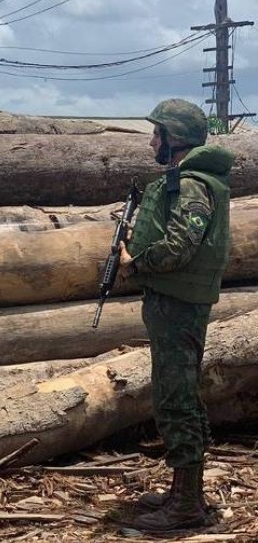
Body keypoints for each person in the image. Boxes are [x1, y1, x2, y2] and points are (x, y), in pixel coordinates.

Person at [118, 98, 233, 532]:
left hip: (178, 306)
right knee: (177, 394)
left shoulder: (191, 184)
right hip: (175, 303)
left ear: (174, 137)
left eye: (156, 133)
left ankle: (186, 506)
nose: (151, 142)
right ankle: (185, 492)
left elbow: (181, 245)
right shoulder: (188, 181)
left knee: (175, 398)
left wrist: (136, 262)